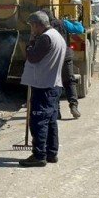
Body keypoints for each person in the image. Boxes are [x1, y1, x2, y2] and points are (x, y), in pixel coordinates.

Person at [19, 11, 66, 167]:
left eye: (32, 26)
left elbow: (32, 57)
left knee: (38, 121)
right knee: (51, 121)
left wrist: (30, 44)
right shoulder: (57, 36)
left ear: (37, 25)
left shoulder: (46, 38)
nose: (32, 29)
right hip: (53, 84)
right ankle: (51, 153)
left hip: (43, 86)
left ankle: (39, 155)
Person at [49, 12, 85, 119]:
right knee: (69, 82)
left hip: (52, 59)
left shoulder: (43, 27)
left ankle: (57, 112)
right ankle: (73, 106)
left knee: (54, 84)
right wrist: (75, 21)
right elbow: (80, 30)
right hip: (65, 57)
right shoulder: (63, 23)